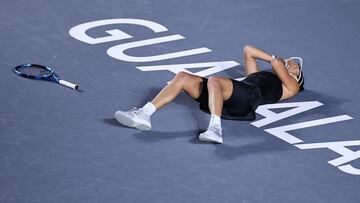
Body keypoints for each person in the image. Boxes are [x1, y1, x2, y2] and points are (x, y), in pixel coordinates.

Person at [114, 45, 304, 144]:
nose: (293, 62)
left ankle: (215, 129)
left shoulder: (291, 87)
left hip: (247, 99)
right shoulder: (259, 75)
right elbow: (248, 50)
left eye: (296, 65)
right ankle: (144, 114)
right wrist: (273, 58)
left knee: (214, 80)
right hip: (231, 94)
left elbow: (277, 65)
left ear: (297, 75)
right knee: (182, 77)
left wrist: (281, 62)